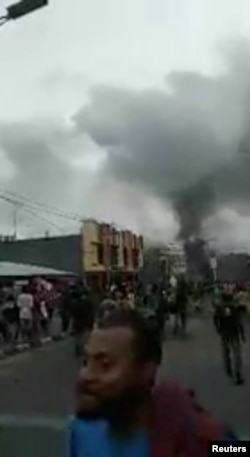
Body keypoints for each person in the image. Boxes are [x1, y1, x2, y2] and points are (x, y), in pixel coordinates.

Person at [68, 309, 237, 457]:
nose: (85, 375)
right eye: (86, 362)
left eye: (105, 365)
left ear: (146, 370)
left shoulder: (187, 428)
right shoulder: (81, 429)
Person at [214, 290, 245, 385]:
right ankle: (237, 372)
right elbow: (239, 322)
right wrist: (242, 334)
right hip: (234, 333)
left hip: (225, 333)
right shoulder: (235, 307)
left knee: (226, 352)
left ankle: (228, 369)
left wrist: (218, 329)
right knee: (236, 353)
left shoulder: (219, 308)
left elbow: (215, 319)